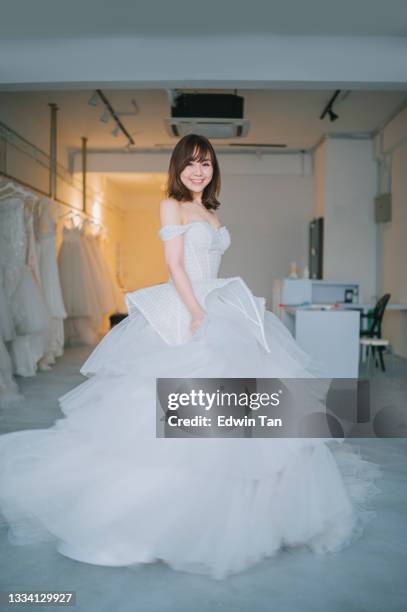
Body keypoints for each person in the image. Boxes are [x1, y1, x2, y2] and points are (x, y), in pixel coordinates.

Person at [0, 134, 380, 581]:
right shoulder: (172, 205)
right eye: (190, 164)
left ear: (213, 169)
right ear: (177, 168)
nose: (198, 171)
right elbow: (176, 266)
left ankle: (241, 512)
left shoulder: (211, 211)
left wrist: (217, 309)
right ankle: (161, 514)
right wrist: (198, 314)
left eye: (206, 164)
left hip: (220, 302)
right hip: (189, 308)